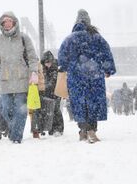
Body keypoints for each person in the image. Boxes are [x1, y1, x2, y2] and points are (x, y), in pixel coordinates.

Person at [58, 9, 116, 143]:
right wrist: (108, 69)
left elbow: (62, 56)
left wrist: (64, 67)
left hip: (76, 77)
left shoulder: (70, 38)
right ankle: (92, 129)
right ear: (89, 22)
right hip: (94, 75)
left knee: (79, 103)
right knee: (94, 102)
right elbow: (107, 52)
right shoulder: (96, 37)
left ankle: (83, 129)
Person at [0, 12, 39, 144]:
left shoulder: (24, 38)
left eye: (9, 21)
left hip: (22, 80)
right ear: (1, 24)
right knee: (5, 109)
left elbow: (33, 58)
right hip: (5, 81)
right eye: (5, 21)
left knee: (20, 111)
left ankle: (16, 137)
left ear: (14, 22)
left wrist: (34, 72)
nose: (7, 23)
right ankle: (13, 129)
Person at [40, 51, 65, 135]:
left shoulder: (55, 68)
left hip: (56, 91)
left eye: (48, 62)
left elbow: (53, 81)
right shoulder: (44, 68)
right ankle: (52, 128)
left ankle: (58, 129)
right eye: (45, 63)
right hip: (47, 92)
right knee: (50, 110)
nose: (47, 64)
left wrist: (45, 87)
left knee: (56, 109)